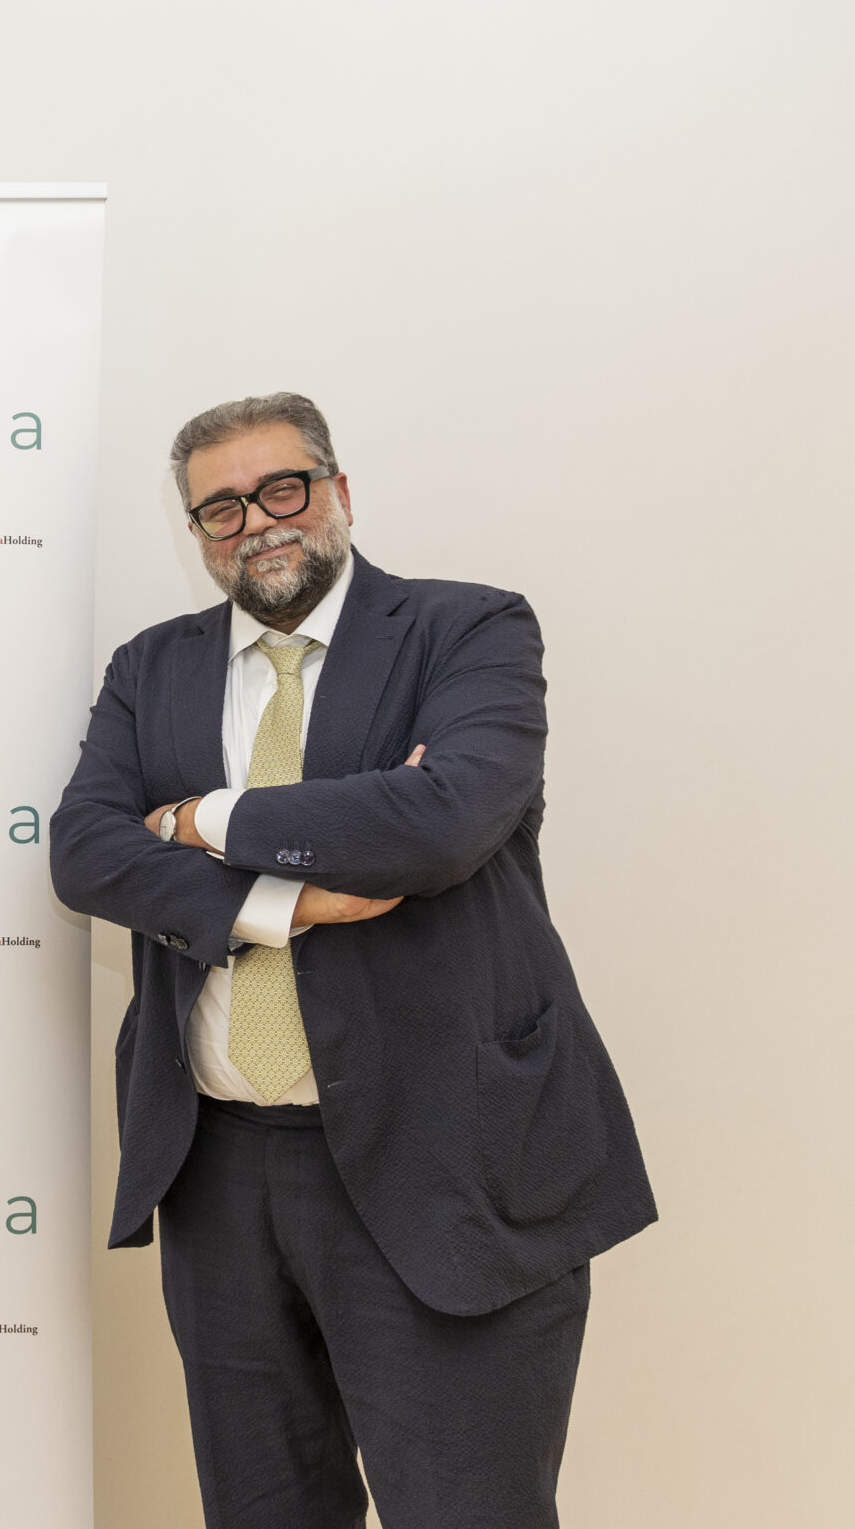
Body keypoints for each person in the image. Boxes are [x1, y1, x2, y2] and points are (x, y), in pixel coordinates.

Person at [50, 394, 653, 1528]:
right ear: (197, 531)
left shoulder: (468, 629)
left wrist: (191, 820)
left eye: (282, 487)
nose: (257, 522)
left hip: (447, 1157)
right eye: (221, 507)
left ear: (337, 490)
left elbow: (440, 822)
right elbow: (83, 854)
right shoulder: (151, 668)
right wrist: (279, 901)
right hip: (218, 1171)